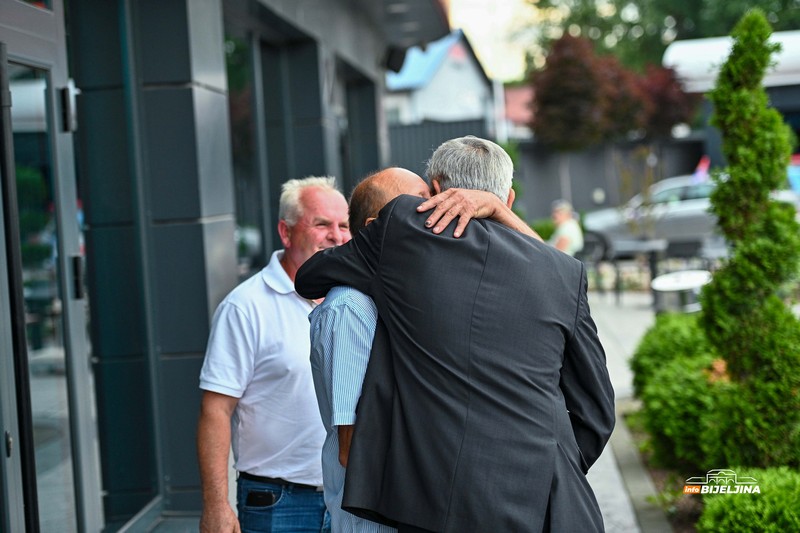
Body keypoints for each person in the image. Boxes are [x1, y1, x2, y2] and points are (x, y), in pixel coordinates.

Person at [295, 136, 615, 532]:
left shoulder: (401, 233)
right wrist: (547, 467)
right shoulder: (564, 274)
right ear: (509, 198)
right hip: (555, 509)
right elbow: (597, 413)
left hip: (441, 507)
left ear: (435, 191)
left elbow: (310, 277)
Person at [308, 167, 540, 533]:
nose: (434, 219)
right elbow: (351, 449)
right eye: (419, 209)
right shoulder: (350, 308)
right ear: (376, 226)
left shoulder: (401, 294)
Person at [197, 176, 350, 533]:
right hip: (278, 504)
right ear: (286, 232)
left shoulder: (354, 300)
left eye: (344, 225)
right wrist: (216, 505)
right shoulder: (245, 307)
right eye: (322, 224)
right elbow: (215, 410)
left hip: (350, 501)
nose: (337, 236)